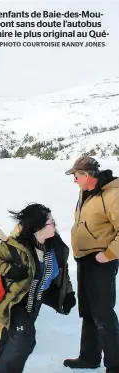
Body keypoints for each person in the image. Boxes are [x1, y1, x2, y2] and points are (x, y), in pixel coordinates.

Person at [0, 203, 76, 373]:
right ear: (38, 228)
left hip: (36, 300)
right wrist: (10, 270)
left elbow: (62, 271)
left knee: (14, 338)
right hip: (17, 300)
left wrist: (67, 292)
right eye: (51, 222)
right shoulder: (17, 247)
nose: (55, 225)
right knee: (23, 339)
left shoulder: (54, 246)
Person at [63, 156, 119, 373]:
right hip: (84, 260)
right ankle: (89, 357)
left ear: (87, 175)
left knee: (103, 313)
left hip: (101, 262)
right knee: (87, 311)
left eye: (76, 176)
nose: (74, 180)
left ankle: (115, 364)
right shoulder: (86, 192)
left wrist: (109, 254)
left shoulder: (113, 195)